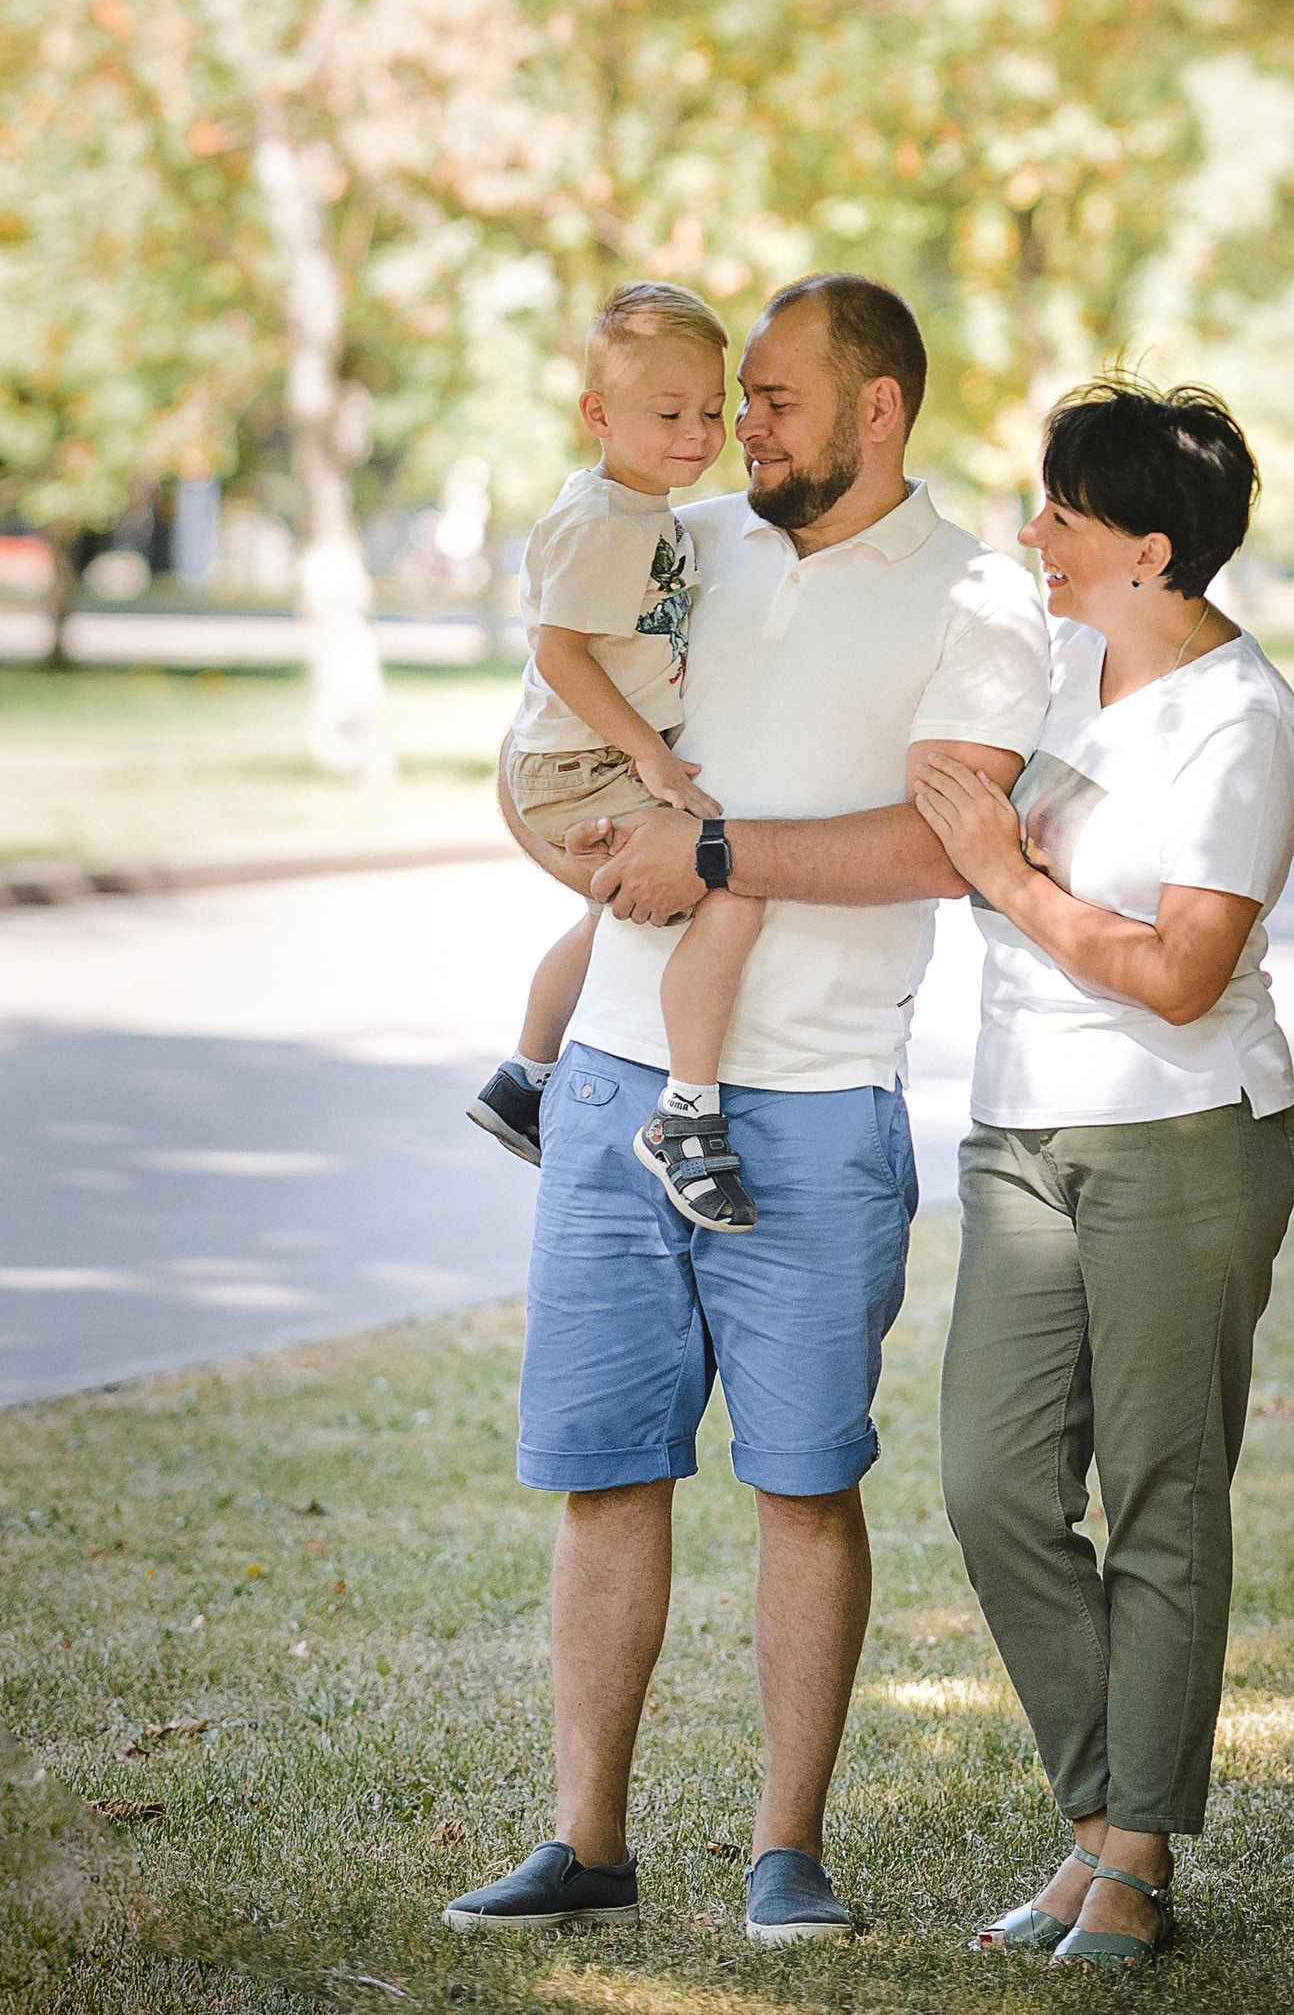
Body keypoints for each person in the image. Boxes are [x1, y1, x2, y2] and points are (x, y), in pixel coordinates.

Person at [444, 274, 1051, 1951]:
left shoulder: (976, 597)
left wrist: (714, 853)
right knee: (604, 1470)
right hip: (616, 1083)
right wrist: (589, 849)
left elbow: (957, 849)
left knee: (802, 1482)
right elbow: (558, 713)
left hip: (815, 1106)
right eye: (730, 398)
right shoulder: (679, 536)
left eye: (774, 398)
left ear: (878, 410)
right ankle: (588, 1840)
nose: (736, 426)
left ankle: (787, 1852)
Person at [912, 379, 1294, 1970]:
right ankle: (1104, 1817)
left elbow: (1179, 975)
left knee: (1161, 1490)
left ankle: (1133, 1855)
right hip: (1019, 1126)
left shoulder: (1242, 723)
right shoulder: (1060, 670)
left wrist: (1007, 877)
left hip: (1184, 1131)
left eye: (1063, 518)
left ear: (1152, 550)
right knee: (993, 1483)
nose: (1037, 537)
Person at [468, 280, 766, 1232]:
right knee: (729, 879)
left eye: (714, 410)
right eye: (669, 412)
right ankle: (685, 1114)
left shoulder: (636, 509)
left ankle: (525, 1076)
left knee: (615, 918)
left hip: (579, 759)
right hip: (580, 765)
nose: (699, 431)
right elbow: (559, 651)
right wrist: (654, 763)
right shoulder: (604, 522)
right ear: (598, 414)